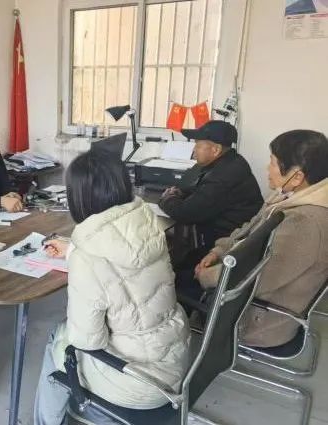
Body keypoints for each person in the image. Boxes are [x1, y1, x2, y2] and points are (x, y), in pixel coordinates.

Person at [34, 151, 190, 425]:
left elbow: (87, 341)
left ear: (78, 197)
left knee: (58, 336)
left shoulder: (88, 257)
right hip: (175, 361)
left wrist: (79, 255)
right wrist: (73, 250)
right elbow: (123, 267)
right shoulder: (148, 224)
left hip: (139, 383)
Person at [192, 130, 328, 348]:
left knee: (178, 287)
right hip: (247, 286)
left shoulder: (306, 223)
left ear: (297, 176)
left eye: (273, 163)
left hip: (258, 321)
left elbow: (253, 279)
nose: (267, 169)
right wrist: (218, 251)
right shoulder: (287, 196)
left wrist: (206, 276)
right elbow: (249, 229)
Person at [159, 120, 263, 254]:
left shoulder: (223, 176)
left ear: (216, 150)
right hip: (228, 240)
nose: (193, 150)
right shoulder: (230, 161)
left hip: (227, 248)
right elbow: (194, 186)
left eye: (198, 145)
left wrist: (167, 198)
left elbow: (184, 213)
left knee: (174, 260)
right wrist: (180, 192)